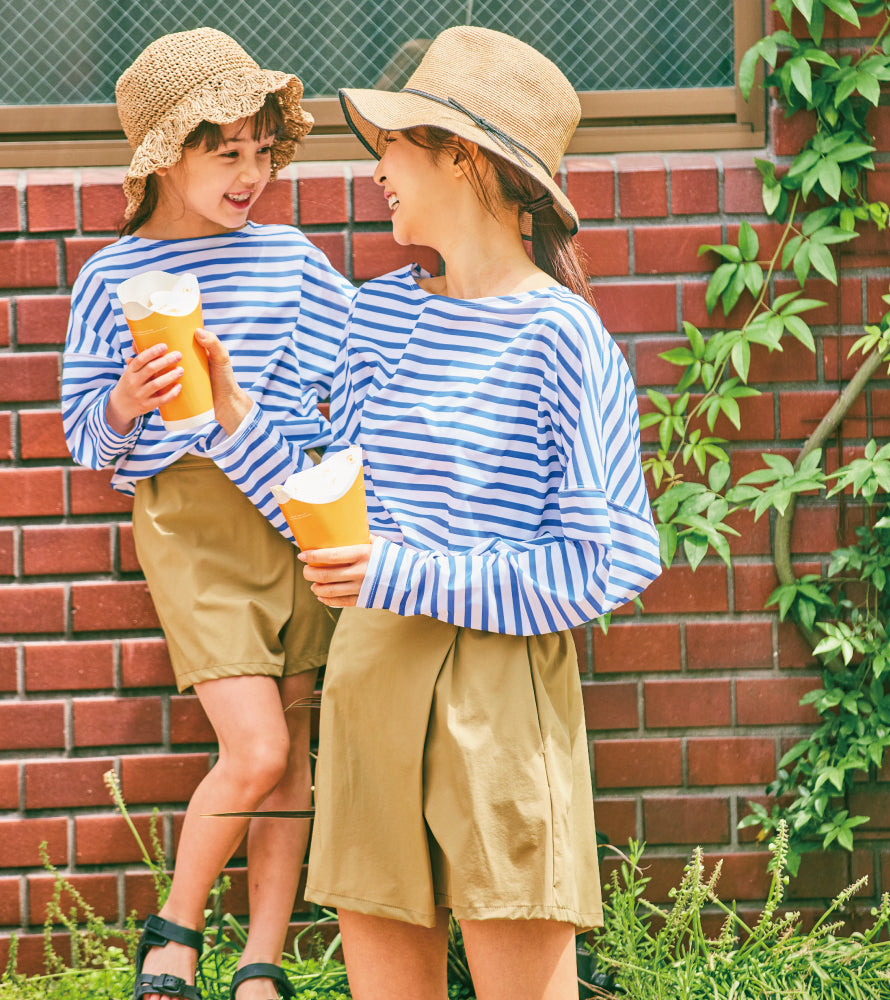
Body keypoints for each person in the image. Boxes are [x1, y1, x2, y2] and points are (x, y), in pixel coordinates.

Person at [196, 25, 661, 1000]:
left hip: (498, 691)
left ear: (463, 156)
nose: (378, 170)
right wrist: (229, 415)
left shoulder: (560, 337)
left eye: (395, 145)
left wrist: (398, 571)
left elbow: (607, 559)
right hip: (371, 672)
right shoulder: (381, 312)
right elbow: (329, 516)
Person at [60, 28, 356, 1000]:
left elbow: (346, 383)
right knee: (257, 745)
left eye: (262, 150)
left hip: (292, 502)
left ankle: (262, 961)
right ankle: (174, 934)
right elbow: (82, 435)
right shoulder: (111, 278)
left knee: (295, 740)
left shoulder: (294, 259)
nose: (250, 173)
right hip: (189, 521)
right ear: (165, 155)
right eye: (223, 150)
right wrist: (127, 402)